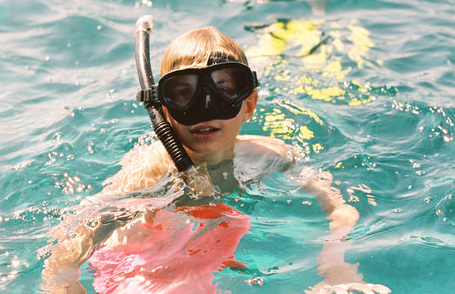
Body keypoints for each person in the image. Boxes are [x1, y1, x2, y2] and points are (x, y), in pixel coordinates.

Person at [41, 26, 391, 294]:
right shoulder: (151, 168)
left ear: (249, 105)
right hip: (142, 262)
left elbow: (340, 209)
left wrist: (335, 266)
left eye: (225, 91)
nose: (206, 108)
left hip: (209, 244)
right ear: (164, 111)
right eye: (183, 94)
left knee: (231, 224)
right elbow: (81, 230)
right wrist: (64, 280)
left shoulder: (269, 155)